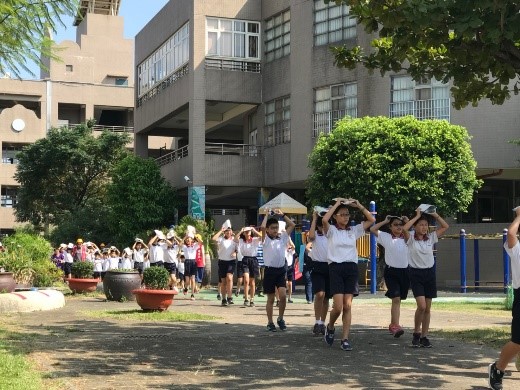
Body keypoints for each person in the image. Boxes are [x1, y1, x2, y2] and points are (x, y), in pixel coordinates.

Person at [323, 198, 375, 351]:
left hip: (351, 268)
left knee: (348, 305)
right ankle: (331, 326)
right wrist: (337, 204)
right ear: (336, 216)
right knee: (338, 307)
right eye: (342, 214)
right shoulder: (331, 230)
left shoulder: (354, 230)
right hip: (335, 268)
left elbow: (371, 219)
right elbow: (325, 219)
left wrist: (358, 205)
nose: (346, 217)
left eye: (347, 214)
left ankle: (345, 339)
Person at [402, 207, 449, 348]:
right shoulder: (410, 238)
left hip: (429, 273)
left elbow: (446, 226)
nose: (424, 227)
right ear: (415, 227)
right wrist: (417, 216)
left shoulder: (431, 237)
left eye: (425, 225)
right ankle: (416, 333)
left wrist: (435, 214)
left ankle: (424, 336)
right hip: (416, 274)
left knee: (428, 308)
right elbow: (405, 229)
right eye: (421, 225)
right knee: (421, 306)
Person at [488, 207, 520, 390]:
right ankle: (498, 369)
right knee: (517, 340)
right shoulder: (517, 249)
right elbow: (510, 234)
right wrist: (519, 216)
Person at [370, 215, 410, 338]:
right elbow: (373, 229)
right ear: (390, 227)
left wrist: (408, 222)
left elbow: (414, 232)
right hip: (391, 272)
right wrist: (385, 220)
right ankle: (395, 325)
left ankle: (393, 323)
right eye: (395, 224)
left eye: (400, 224)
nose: (399, 226)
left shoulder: (408, 237)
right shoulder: (386, 237)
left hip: (405, 272)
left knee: (400, 299)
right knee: (396, 298)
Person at [261, 209, 295, 331]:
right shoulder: (265, 240)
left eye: (276, 227)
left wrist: (283, 215)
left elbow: (292, 225)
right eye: (272, 228)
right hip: (270, 271)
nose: (275, 230)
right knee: (270, 298)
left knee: (283, 295)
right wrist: (266, 215)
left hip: (281, 270)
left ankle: (280, 318)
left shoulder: (283, 238)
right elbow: (262, 227)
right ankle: (270, 322)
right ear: (268, 229)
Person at [235, 225, 262, 307]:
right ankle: (246, 298)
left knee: (252, 282)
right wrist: (241, 230)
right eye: (246, 232)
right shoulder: (241, 240)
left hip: (253, 260)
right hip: (245, 259)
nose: (247, 233)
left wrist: (254, 230)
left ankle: (252, 299)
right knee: (246, 280)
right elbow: (235, 238)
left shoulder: (255, 240)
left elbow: (262, 236)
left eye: (249, 231)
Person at [212, 225, 237, 306]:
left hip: (231, 262)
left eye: (229, 230)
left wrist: (235, 252)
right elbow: (213, 239)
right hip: (222, 262)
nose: (228, 232)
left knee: (229, 278)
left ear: (232, 232)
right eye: (226, 231)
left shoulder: (234, 240)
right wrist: (220, 230)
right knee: (223, 281)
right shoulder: (221, 239)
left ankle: (230, 297)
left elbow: (237, 249)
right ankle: (224, 298)